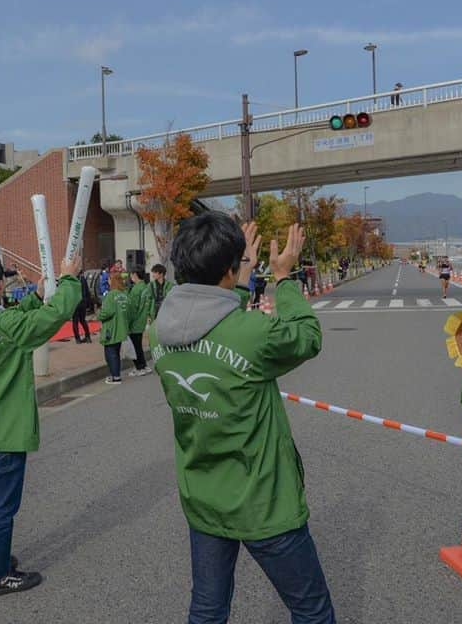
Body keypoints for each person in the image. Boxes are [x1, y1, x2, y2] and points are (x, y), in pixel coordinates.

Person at [150, 214, 336, 623]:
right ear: (229, 270)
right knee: (311, 610)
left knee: (207, 609)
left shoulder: (157, 332)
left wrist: (242, 268)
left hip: (203, 495)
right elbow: (307, 336)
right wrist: (284, 278)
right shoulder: (252, 333)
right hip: (262, 499)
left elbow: (210, 311)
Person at [0, 251, 81, 596]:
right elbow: (53, 318)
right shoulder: (2, 324)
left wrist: (36, 296)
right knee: (2, 507)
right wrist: (69, 278)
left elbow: (10, 323)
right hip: (7, 426)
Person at [98, 270, 129, 384]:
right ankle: (115, 375)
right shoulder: (124, 295)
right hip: (121, 328)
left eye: (110, 279)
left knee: (110, 354)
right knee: (116, 352)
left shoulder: (111, 295)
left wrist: (98, 314)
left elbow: (106, 312)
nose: (108, 281)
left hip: (111, 329)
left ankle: (115, 376)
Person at [126, 270, 152, 376]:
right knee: (138, 345)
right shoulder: (146, 287)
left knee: (135, 346)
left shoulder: (136, 289)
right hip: (142, 320)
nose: (130, 276)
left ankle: (140, 367)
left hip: (135, 322)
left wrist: (127, 323)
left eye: (131, 274)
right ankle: (144, 366)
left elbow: (132, 308)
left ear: (135, 275)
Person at [72, 269, 92, 344]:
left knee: (75, 321)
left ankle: (77, 339)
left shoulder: (72, 280)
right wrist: (89, 303)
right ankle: (88, 337)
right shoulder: (83, 279)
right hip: (83, 302)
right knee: (83, 320)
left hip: (75, 303)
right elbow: (87, 291)